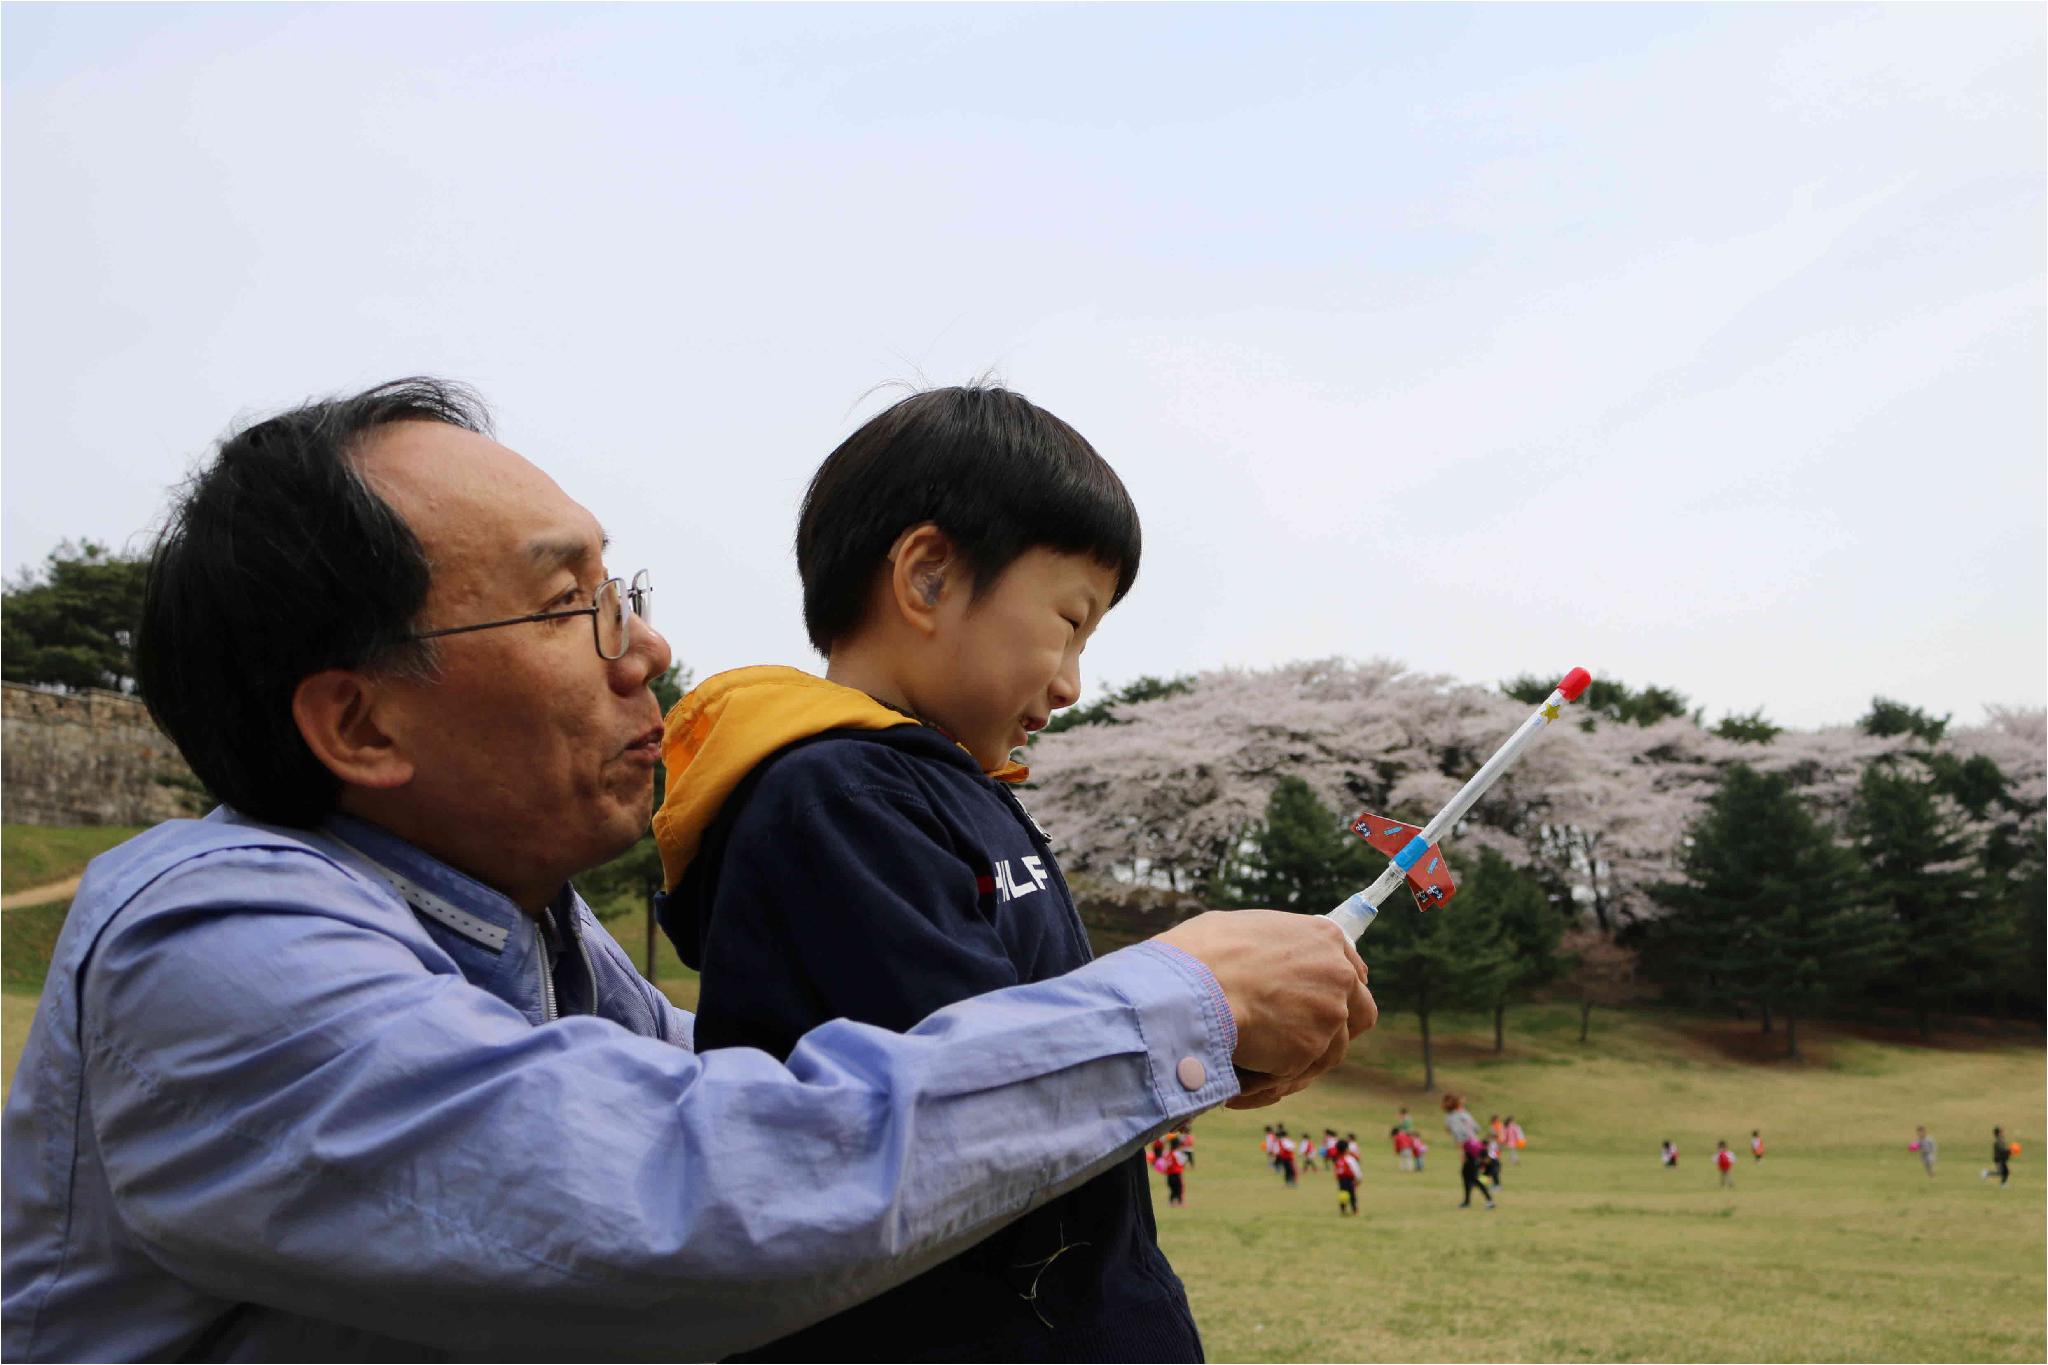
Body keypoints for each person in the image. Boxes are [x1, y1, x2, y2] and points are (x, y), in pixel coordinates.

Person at [0, 379, 1377, 1362]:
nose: (646, 646)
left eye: (625, 586)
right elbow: (686, 1190)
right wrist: (1177, 1004)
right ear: (360, 723)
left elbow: (747, 1063)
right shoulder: (209, 941)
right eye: (568, 602)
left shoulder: (515, 937)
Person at [654, 384, 1240, 1359]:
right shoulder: (838, 800)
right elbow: (981, 1101)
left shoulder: (937, 786)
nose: (1069, 684)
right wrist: (1198, 1008)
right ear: (925, 579)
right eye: (1068, 623)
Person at [1443, 1092, 1494, 1210]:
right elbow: (1477, 1129)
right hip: (1477, 1146)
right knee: (1466, 1174)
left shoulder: (1452, 1117)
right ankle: (1467, 1201)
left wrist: (1463, 1152)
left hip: (1470, 1149)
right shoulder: (1465, 1114)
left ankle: (1490, 1200)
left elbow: (1460, 1135)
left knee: (1473, 1177)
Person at [1333, 1138, 1362, 1216]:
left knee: (1343, 1195)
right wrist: (1359, 1179)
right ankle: (1355, 1211)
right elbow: (1356, 1170)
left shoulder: (1337, 1160)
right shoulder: (1349, 1159)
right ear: (1346, 1149)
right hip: (1349, 1180)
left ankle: (1343, 1210)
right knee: (1352, 1195)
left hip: (1341, 1181)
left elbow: (1336, 1171)